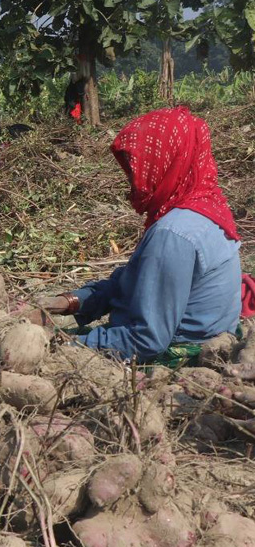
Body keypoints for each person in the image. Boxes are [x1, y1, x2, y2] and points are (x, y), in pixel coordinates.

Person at [36, 107, 242, 363]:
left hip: (173, 355)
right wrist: (67, 302)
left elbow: (146, 340)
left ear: (167, 161)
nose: (132, 179)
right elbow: (133, 283)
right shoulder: (207, 208)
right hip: (181, 338)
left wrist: (65, 344)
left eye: (139, 166)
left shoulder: (173, 234)